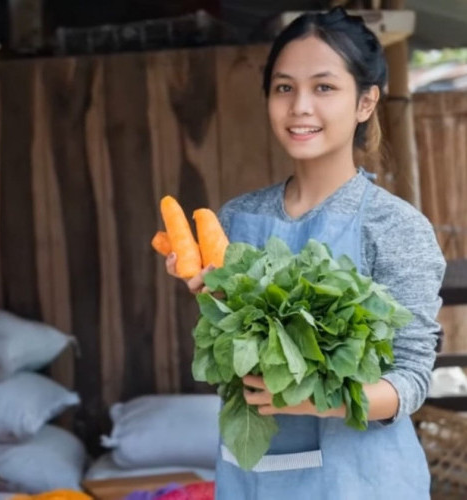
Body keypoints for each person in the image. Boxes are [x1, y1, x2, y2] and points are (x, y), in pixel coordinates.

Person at [165, 7, 445, 500]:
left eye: (324, 87)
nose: (299, 107)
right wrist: (212, 299)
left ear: (365, 102)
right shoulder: (235, 220)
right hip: (250, 479)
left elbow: (412, 382)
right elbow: (230, 362)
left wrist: (319, 397)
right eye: (284, 87)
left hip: (361, 484)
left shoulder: (395, 228)